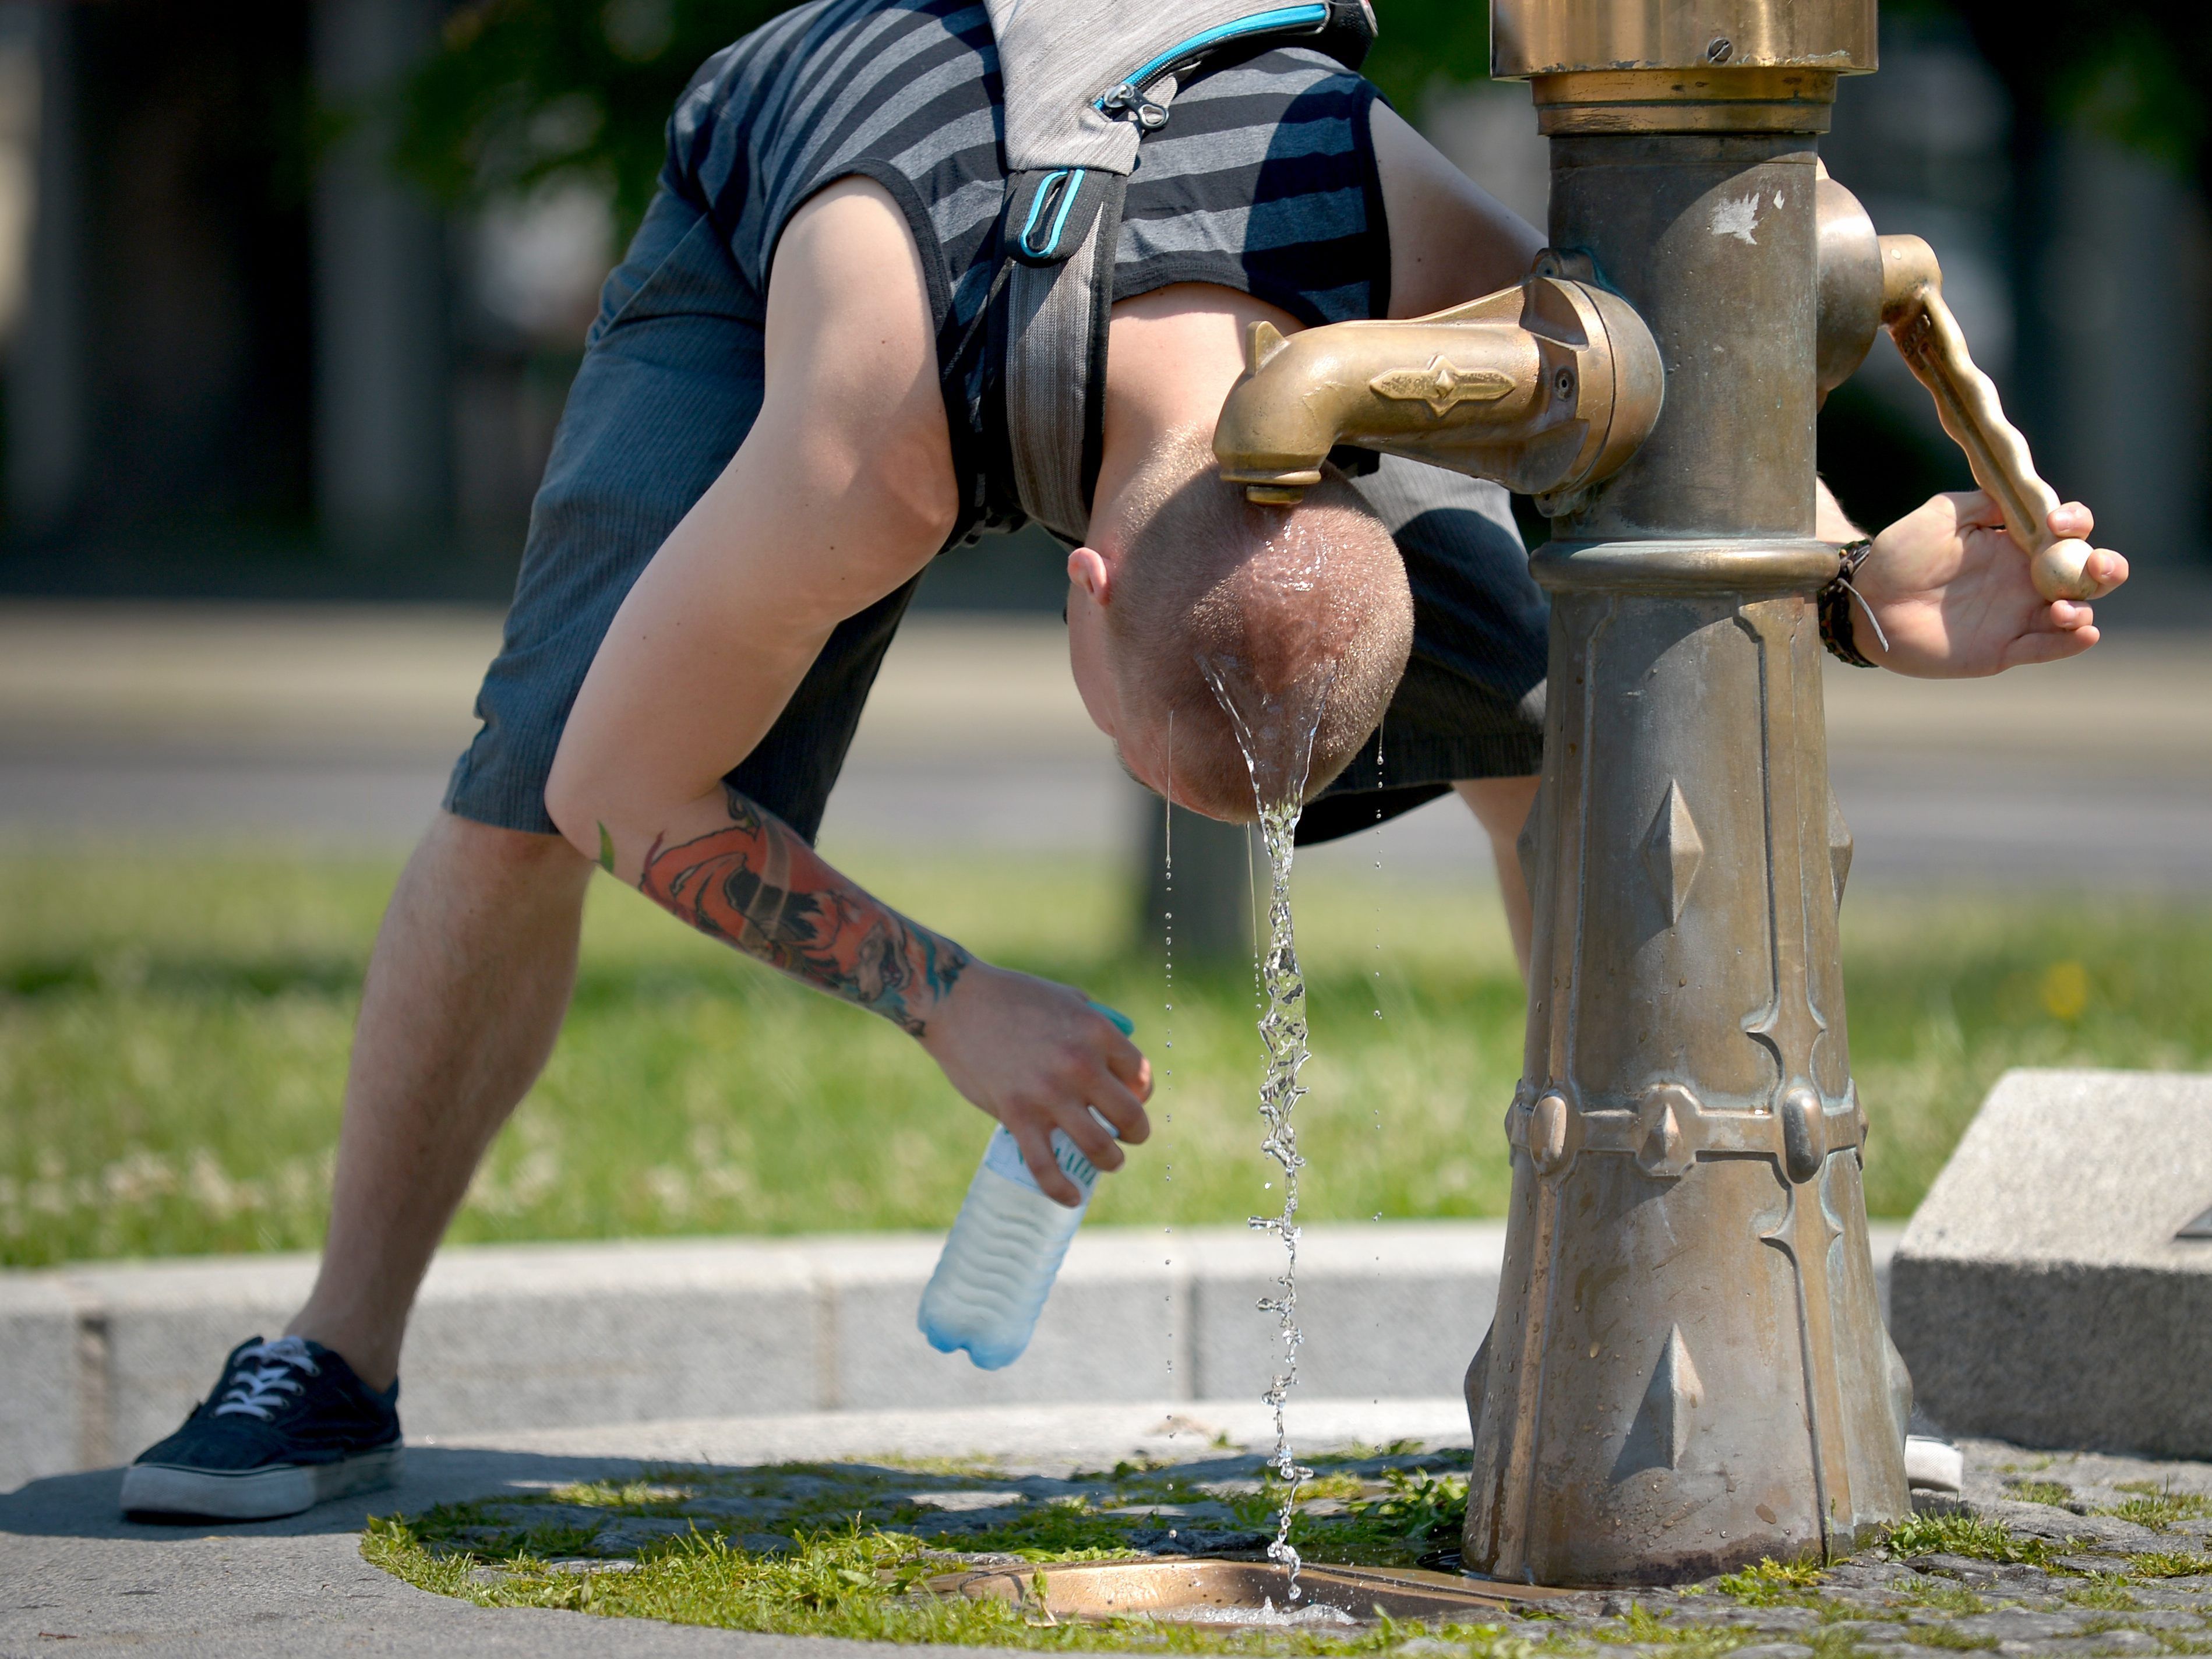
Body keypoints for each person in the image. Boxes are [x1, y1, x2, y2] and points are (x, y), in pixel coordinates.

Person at [118, 0, 2126, 1522]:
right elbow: (620, 793)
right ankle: (332, 1357)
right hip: (841, 170)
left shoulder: (1381, 216)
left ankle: (1671, 1305)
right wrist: (948, 1000)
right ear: (1076, 587)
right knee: (527, 770)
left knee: (1560, 715)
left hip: (1208, 105)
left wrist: (1857, 590)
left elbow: (1658, 422)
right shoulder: (866, 443)